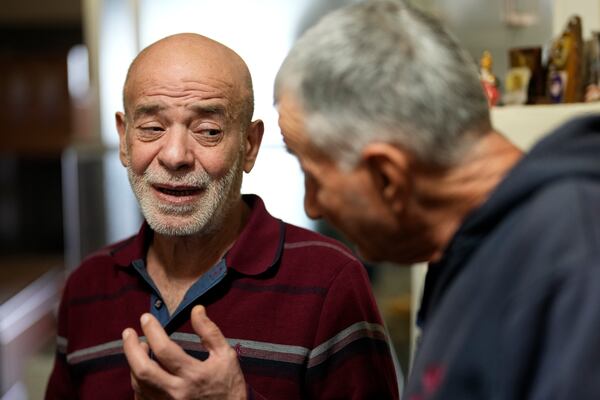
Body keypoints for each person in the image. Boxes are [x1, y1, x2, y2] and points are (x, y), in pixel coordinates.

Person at [45, 33, 400, 399]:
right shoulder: (86, 286)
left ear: (249, 146)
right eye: (152, 128)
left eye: (208, 131)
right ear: (123, 139)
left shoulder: (330, 280)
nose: (175, 155)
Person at [275, 1, 600, 399]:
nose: (313, 207)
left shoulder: (575, 252)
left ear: (387, 176)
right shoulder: (471, 249)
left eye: (313, 174)